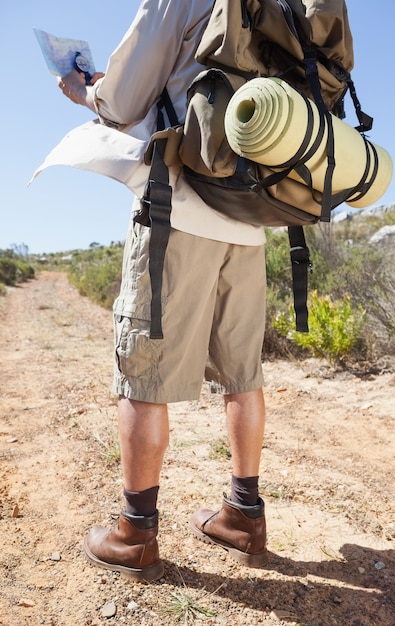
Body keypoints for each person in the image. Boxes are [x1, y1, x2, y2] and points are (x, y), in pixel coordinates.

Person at [58, 0, 268, 582]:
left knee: (143, 373)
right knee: (242, 373)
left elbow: (123, 101)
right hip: (254, 218)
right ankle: (244, 516)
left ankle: (134, 533)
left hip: (179, 206)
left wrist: (86, 91)